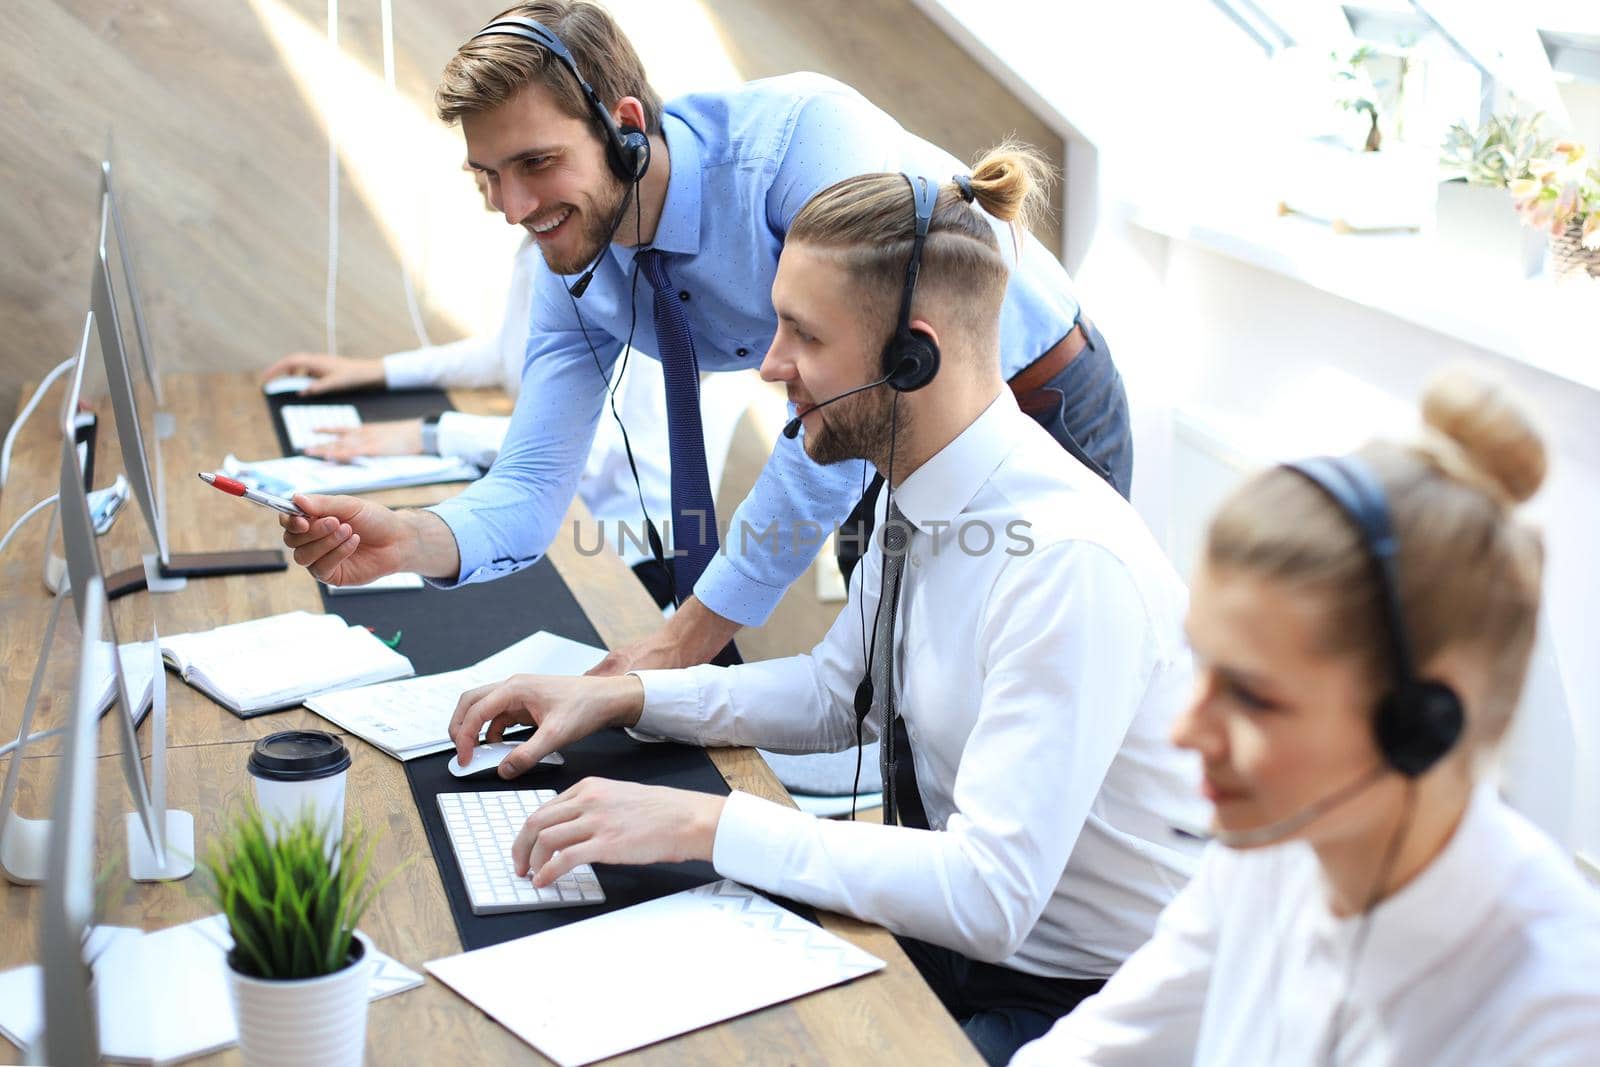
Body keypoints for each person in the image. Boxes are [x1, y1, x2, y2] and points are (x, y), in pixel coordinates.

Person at [444, 147, 1206, 1066]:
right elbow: (839, 689)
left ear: (910, 355)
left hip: (1078, 1006)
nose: (770, 365)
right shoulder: (918, 488)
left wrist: (705, 824)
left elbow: (990, 896)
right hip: (950, 952)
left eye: (802, 334)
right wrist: (630, 696)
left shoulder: (1065, 563)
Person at [277, 0, 1134, 681]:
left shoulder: (802, 143)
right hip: (877, 443)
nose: (512, 206)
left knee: (1008, 699)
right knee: (899, 699)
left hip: (1033, 402)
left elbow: (864, 385)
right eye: (488, 177)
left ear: (623, 125)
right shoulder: (570, 269)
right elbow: (535, 483)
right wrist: (411, 536)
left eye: (536, 163)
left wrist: (688, 636)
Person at [1012, 372, 1600, 1065]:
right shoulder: (1278, 849)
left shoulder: (1552, 1014)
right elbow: (1091, 1049)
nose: (1184, 730)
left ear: (1421, 724)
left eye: (1254, 696)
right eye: (1201, 667)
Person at [258, 170, 680, 600]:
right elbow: (507, 352)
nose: (470, 169)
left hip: (620, 550)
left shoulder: (605, 265)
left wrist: (425, 433)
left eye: (505, 162)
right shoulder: (540, 246)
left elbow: (586, 451)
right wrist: (376, 370)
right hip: (556, 522)